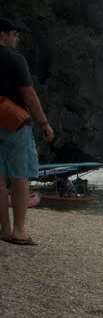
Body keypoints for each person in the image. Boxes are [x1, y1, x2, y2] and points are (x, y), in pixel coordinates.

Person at [0, 17, 54, 245]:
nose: (16, 37)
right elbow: (29, 95)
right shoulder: (15, 60)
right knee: (20, 177)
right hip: (14, 125)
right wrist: (44, 123)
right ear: (2, 35)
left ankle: (4, 230)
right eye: (14, 33)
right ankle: (20, 231)